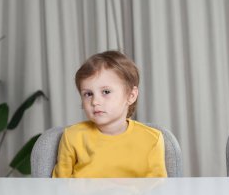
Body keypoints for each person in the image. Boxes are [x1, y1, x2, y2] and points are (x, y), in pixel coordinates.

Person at [52, 50, 167, 178]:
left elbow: (158, 192)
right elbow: (59, 188)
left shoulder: (152, 139)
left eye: (106, 92)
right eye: (88, 94)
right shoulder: (72, 136)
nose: (95, 101)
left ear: (131, 95)